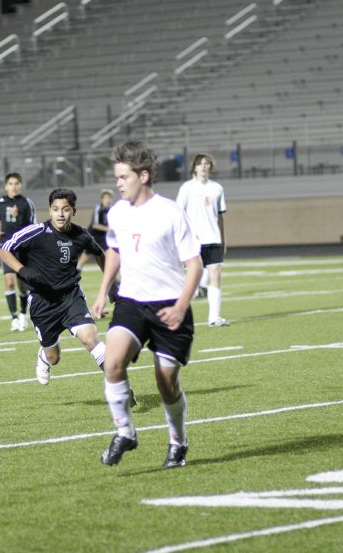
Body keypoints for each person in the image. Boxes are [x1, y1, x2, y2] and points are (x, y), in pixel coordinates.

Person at [92, 140, 203, 468]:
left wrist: (182, 305)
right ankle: (125, 432)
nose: (118, 182)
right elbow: (114, 250)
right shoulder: (117, 213)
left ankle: (178, 441)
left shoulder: (170, 212)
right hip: (131, 301)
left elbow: (194, 264)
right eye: (117, 176)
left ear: (143, 176)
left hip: (170, 304)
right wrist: (102, 291)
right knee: (112, 362)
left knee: (166, 383)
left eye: (124, 176)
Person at [0, 188, 112, 386]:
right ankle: (44, 356)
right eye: (56, 209)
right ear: (49, 211)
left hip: (71, 297)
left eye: (65, 209)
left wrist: (112, 285)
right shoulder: (35, 232)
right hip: (42, 302)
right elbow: (3, 249)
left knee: (91, 340)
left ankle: (120, 387)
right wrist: (22, 270)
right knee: (54, 358)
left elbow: (99, 254)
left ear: (73, 211)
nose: (60, 214)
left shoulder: (81, 235)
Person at [176, 153, 229, 326]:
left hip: (213, 238)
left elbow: (220, 217)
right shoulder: (187, 188)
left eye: (207, 164)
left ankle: (214, 317)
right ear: (195, 167)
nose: (204, 166)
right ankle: (178, 315)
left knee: (215, 273)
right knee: (189, 279)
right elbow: (178, 214)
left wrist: (223, 239)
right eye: (200, 164)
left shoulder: (217, 188)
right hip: (193, 240)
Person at [0, 173, 36, 331]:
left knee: (22, 284)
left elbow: (32, 227)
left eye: (17, 183)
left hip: (22, 248)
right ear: (5, 186)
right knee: (9, 281)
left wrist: (18, 217)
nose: (14, 186)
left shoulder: (26, 203)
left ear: (21, 185)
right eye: (11, 183)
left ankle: (23, 313)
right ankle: (14, 317)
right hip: (6, 247)